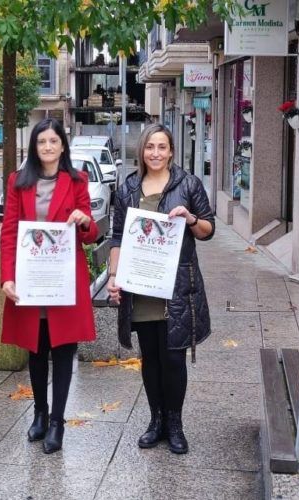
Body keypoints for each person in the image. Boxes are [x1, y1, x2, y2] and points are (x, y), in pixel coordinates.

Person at [107, 123, 215, 454]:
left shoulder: (189, 185)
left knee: (173, 359)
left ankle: (175, 424)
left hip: (176, 287)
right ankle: (155, 422)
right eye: (150, 147)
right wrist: (114, 275)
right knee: (150, 359)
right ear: (142, 151)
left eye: (162, 147)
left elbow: (209, 230)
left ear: (170, 151)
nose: (155, 153)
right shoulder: (128, 189)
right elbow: (118, 237)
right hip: (141, 288)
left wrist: (191, 219)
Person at [0, 118, 98, 454]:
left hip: (63, 280)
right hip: (30, 279)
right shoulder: (18, 182)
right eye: (41, 142)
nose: (47, 147)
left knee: (64, 350)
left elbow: (91, 231)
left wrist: (85, 221)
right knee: (36, 350)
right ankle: (39, 413)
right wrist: (7, 277)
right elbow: (10, 231)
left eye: (53, 141)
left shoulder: (77, 180)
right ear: (34, 146)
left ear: (62, 146)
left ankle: (58, 421)